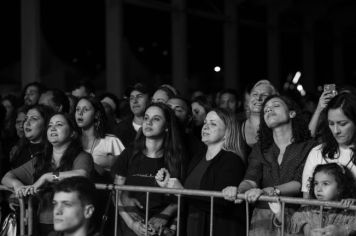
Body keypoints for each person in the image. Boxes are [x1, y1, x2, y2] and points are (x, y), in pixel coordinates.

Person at [223, 95, 315, 236]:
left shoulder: (308, 146)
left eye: (276, 105)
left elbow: (300, 182)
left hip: (295, 216)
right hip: (262, 217)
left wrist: (269, 191)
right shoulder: (261, 148)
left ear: (291, 113)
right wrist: (240, 190)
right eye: (265, 110)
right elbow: (250, 179)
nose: (269, 109)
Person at [156, 108, 246, 236]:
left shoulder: (232, 160)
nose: (206, 127)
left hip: (217, 229)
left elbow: (222, 203)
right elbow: (189, 195)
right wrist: (168, 186)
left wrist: (182, 191)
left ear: (227, 132)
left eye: (213, 124)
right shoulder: (198, 157)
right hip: (192, 228)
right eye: (205, 122)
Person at [1, 112, 93, 236]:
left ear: (73, 133)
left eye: (59, 124)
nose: (53, 128)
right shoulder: (40, 159)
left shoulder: (82, 156)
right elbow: (7, 177)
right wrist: (17, 186)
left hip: (70, 222)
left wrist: (48, 177)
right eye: (50, 125)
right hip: (39, 221)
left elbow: (82, 175)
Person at [112, 103, 185, 236]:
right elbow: (115, 193)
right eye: (146, 118)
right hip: (129, 226)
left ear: (167, 126)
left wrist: (165, 215)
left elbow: (183, 195)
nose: (149, 122)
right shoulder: (129, 153)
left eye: (156, 119)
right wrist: (131, 224)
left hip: (161, 228)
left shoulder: (176, 158)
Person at [270, 163, 356, 235]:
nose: (318, 189)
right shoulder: (306, 211)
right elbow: (290, 227)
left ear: (340, 188)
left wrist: (343, 230)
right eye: (316, 183)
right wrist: (279, 214)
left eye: (325, 184)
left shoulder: (347, 210)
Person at [302, 93, 356, 198]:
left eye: (343, 124)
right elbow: (306, 200)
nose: (336, 131)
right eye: (331, 124)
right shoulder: (317, 152)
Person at [75, 96, 124, 180]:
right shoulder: (72, 141)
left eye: (85, 109)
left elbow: (123, 173)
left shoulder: (111, 141)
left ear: (97, 115)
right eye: (77, 109)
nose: (80, 113)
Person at [238, 80, 277, 157]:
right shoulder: (236, 126)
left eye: (265, 95)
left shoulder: (277, 128)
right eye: (255, 94)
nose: (258, 98)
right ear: (248, 99)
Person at [9, 105, 53, 169]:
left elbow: (57, 175)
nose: (27, 123)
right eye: (26, 119)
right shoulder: (18, 149)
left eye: (34, 119)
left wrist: (53, 178)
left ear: (45, 124)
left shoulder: (53, 151)